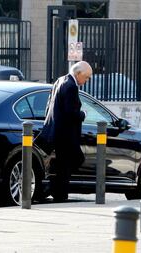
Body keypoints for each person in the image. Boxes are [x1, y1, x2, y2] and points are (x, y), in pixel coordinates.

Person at [40, 61, 93, 202]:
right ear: (78, 73)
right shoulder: (71, 86)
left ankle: (56, 189)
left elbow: (49, 104)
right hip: (66, 134)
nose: (86, 81)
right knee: (73, 161)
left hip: (56, 130)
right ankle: (56, 191)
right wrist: (83, 114)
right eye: (86, 77)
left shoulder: (60, 80)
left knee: (65, 164)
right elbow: (71, 113)